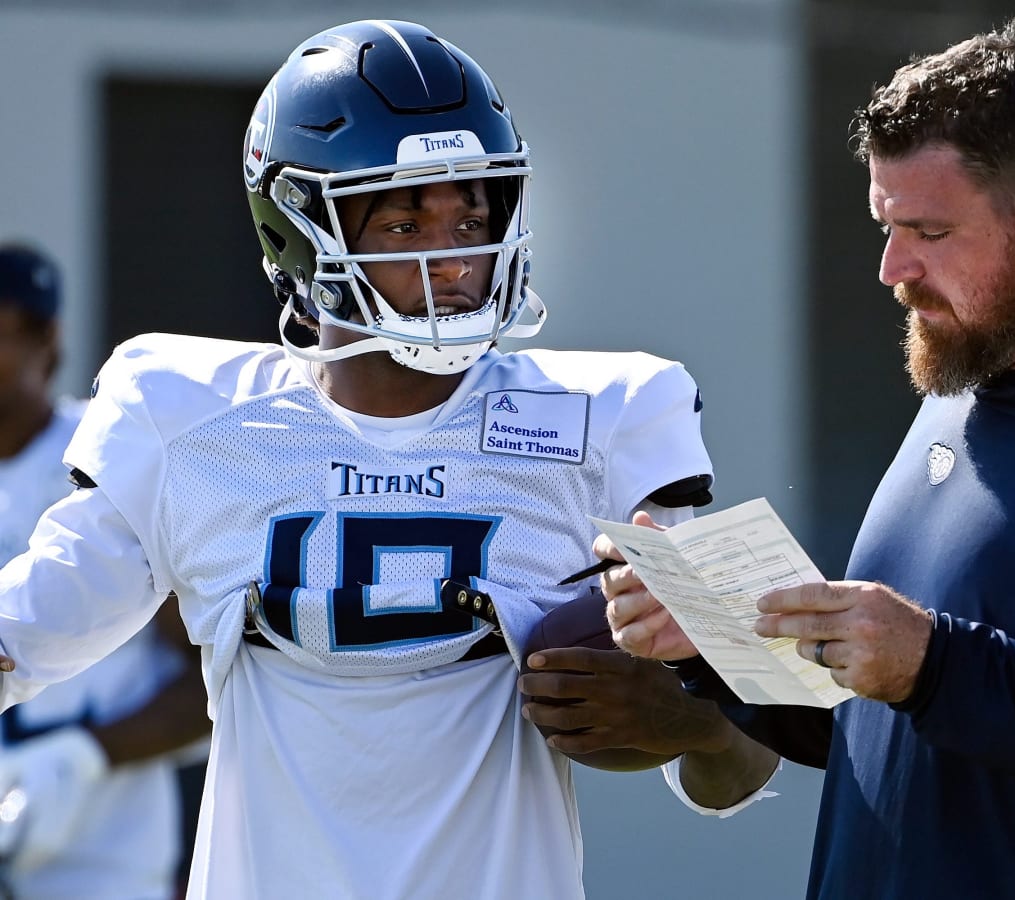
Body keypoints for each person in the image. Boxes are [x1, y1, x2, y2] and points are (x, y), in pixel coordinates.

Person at [0, 22, 777, 899]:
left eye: (472, 216)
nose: (455, 260)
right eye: (406, 219)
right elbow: (22, 632)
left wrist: (696, 725)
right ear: (295, 230)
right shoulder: (187, 418)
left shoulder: (610, 420)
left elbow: (747, 763)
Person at [601, 19, 1015, 899]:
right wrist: (715, 644)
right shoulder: (964, 375)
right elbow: (887, 732)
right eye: (886, 224)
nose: (891, 267)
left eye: (928, 229)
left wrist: (933, 663)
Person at [0, 242, 210, 900]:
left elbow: (214, 677)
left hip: (102, 863)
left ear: (46, 340)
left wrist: (80, 756)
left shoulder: (110, 458)